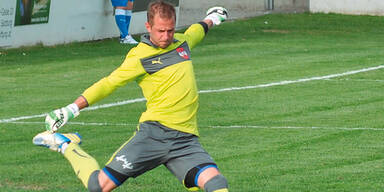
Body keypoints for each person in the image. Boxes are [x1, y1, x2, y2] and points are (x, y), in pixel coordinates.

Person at [33, 1, 229, 192]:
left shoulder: (182, 44)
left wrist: (213, 17)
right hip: (153, 135)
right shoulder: (139, 57)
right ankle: (66, 144)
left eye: (170, 30)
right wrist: (72, 109)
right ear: (148, 26)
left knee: (217, 184)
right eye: (160, 31)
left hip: (186, 141)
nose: (166, 36)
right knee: (98, 186)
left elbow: (198, 29)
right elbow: (109, 83)